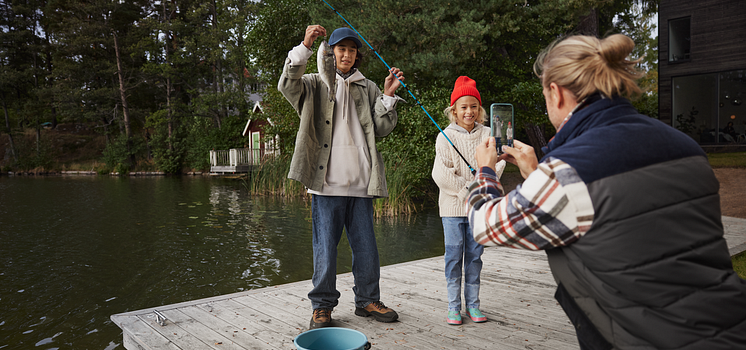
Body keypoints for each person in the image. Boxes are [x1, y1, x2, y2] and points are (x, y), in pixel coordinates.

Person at [466, 34, 746, 349]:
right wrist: (537, 173)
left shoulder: (568, 172)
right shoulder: (687, 148)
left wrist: (485, 170)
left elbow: (483, 223)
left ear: (556, 94)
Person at [278, 25, 404, 330]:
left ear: (356, 55)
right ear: (330, 54)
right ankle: (322, 307)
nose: (346, 55)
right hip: (326, 184)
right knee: (325, 249)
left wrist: (387, 96)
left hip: (361, 182)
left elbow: (383, 128)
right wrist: (304, 47)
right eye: (340, 49)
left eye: (351, 50)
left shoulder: (368, 86)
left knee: (366, 248)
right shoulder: (313, 83)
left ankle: (367, 300)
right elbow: (286, 85)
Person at [431, 76, 505, 325]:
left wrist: (481, 184)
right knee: (454, 257)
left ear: (480, 109)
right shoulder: (445, 137)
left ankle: (473, 305)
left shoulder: (489, 135)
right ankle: (454, 307)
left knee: (474, 257)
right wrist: (468, 192)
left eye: (473, 106)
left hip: (478, 210)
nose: (469, 111)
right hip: (452, 210)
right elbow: (441, 174)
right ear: (454, 110)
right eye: (463, 107)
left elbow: (500, 162)